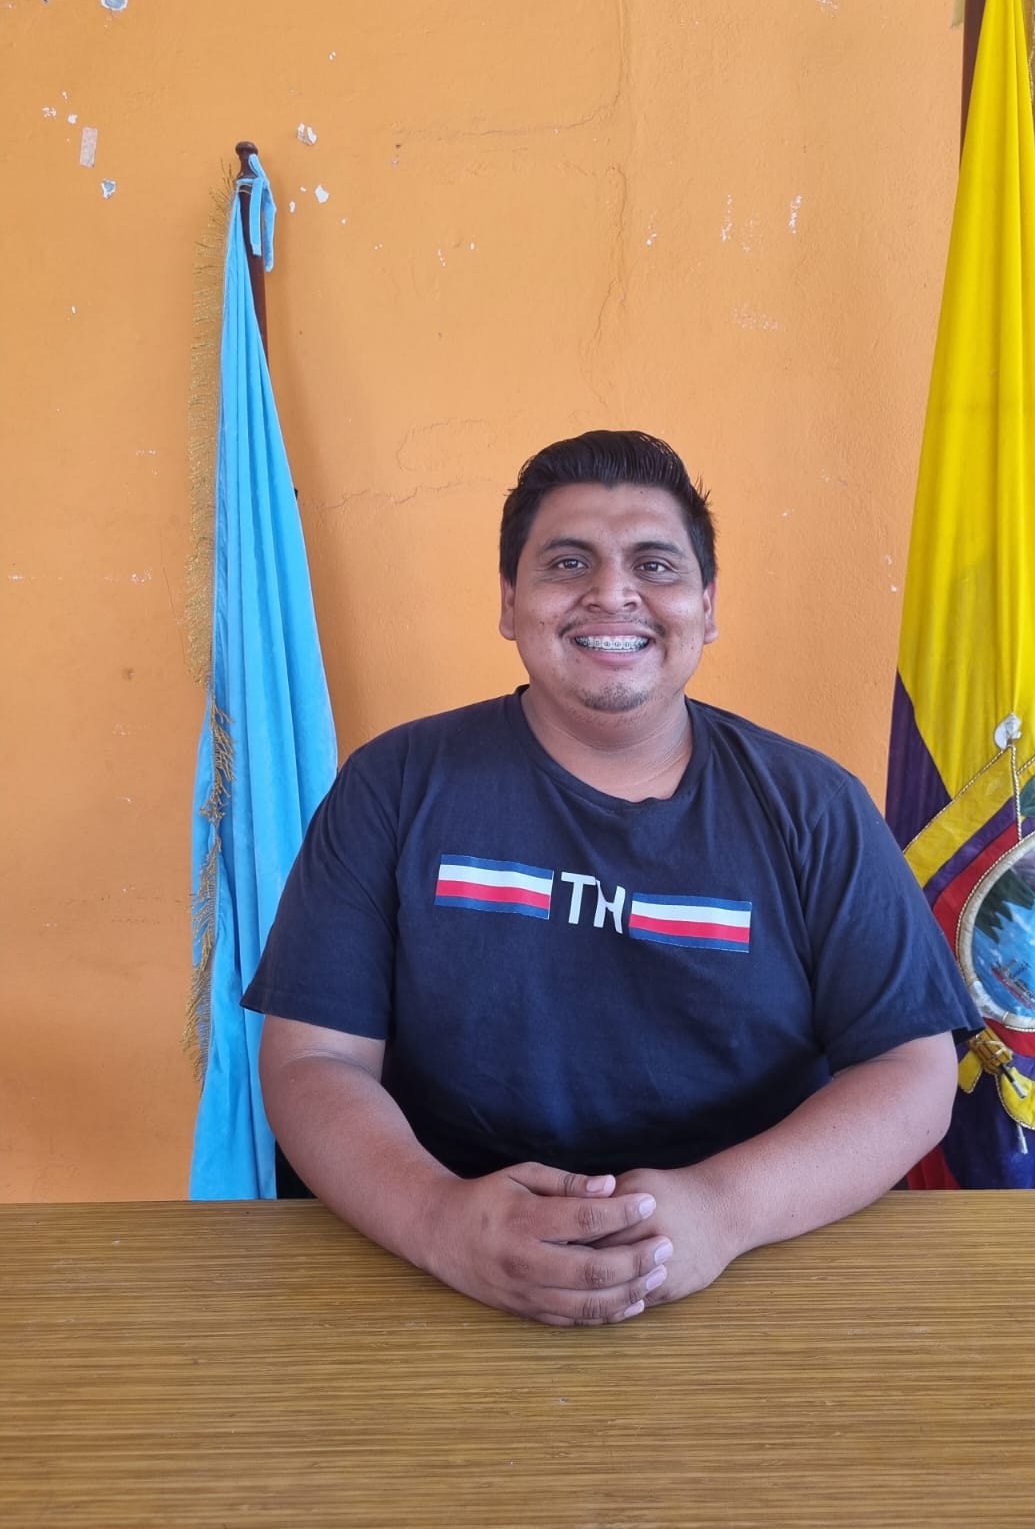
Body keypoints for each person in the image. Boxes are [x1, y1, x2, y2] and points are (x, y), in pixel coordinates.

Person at [247, 430, 980, 1327]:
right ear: (510, 602)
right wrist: (441, 1222)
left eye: (655, 565)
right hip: (440, 1273)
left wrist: (723, 1211)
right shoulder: (393, 785)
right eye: (568, 563)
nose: (611, 592)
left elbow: (912, 1071)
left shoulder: (814, 806)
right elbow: (313, 1058)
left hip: (754, 1265)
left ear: (706, 606)